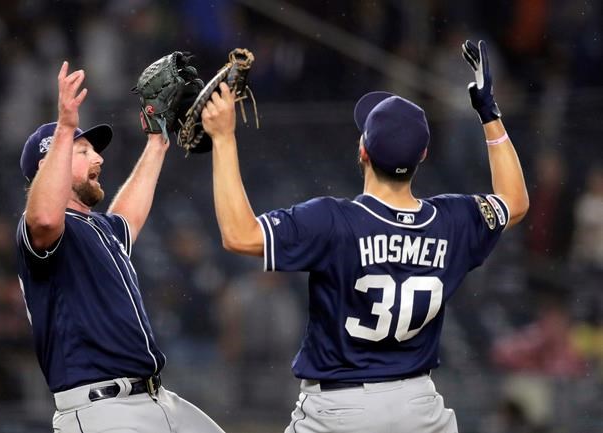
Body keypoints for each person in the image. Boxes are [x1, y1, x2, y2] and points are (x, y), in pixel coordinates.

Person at [201, 40, 529, 433]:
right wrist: (489, 113)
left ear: (363, 151)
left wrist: (223, 139)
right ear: (423, 156)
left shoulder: (332, 221)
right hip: (420, 410)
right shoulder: (453, 220)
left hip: (340, 410)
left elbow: (239, 235)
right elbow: (515, 200)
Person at [15, 61, 225, 433]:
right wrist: (65, 128)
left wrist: (157, 141)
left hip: (157, 397)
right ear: (52, 163)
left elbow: (128, 215)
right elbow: (45, 219)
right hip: (101, 409)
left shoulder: (101, 229)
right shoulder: (41, 233)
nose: (98, 157)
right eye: (83, 152)